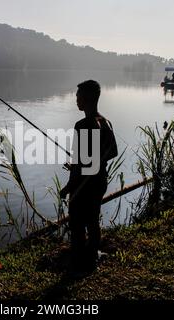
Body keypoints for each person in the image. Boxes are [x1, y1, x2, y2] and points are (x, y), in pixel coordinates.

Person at [60, 80, 118, 275]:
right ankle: (91, 257)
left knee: (76, 222)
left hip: (84, 184)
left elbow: (78, 164)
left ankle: (78, 262)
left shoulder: (82, 125)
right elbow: (112, 152)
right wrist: (93, 162)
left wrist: (68, 187)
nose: (76, 99)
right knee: (92, 219)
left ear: (86, 98)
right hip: (100, 180)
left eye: (78, 96)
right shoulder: (106, 122)